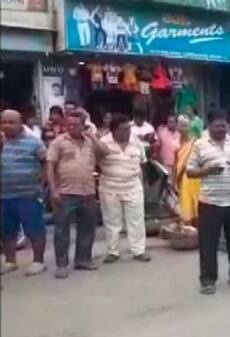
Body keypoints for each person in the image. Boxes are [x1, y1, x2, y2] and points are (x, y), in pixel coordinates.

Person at [186, 109, 230, 295]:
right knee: (208, 243)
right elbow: (190, 172)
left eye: (224, 125)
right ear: (209, 126)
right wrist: (207, 171)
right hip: (210, 202)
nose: (221, 129)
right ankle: (208, 280)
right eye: (217, 126)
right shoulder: (200, 145)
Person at [47, 111, 113, 279]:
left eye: (75, 124)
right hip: (65, 192)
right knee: (62, 230)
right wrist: (53, 190)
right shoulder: (58, 142)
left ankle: (83, 260)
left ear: (84, 126)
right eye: (68, 124)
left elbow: (106, 152)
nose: (71, 127)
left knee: (87, 228)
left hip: (88, 192)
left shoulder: (91, 142)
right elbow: (50, 167)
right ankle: (62, 264)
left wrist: (93, 137)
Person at [0, 109, 47, 276]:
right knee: (7, 230)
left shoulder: (33, 142)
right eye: (3, 122)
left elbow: (46, 163)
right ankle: (10, 261)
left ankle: (38, 261)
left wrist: (41, 186)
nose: (7, 125)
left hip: (29, 194)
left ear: (21, 124)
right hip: (4, 196)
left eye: (11, 122)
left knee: (34, 229)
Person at [98, 114, 151, 264]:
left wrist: (145, 184)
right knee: (112, 221)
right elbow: (95, 162)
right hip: (110, 188)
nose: (127, 132)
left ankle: (139, 250)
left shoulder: (136, 142)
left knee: (136, 220)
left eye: (128, 128)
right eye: (123, 130)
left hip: (133, 186)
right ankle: (113, 251)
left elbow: (143, 163)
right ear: (113, 131)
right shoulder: (104, 142)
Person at [173, 115, 201, 226]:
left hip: (194, 178)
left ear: (190, 127)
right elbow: (175, 163)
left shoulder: (195, 142)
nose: (182, 128)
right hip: (182, 178)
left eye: (185, 125)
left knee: (196, 207)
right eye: (180, 125)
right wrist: (174, 179)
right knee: (185, 208)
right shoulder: (176, 143)